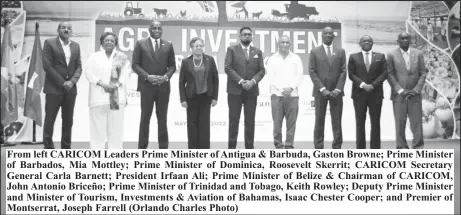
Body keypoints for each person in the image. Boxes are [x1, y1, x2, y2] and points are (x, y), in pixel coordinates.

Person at [132, 21, 176, 149]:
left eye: (159, 28)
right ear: (149, 30)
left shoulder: (168, 45)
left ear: (162, 30)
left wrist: (166, 77)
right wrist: (147, 76)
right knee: (145, 118)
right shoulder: (140, 44)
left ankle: (163, 148)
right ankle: (142, 148)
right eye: (154, 28)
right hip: (146, 86)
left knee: (162, 119)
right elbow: (135, 65)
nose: (157, 30)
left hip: (163, 88)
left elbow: (172, 66)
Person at [85, 32, 132, 149]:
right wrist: (102, 84)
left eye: (112, 40)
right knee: (97, 131)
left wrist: (115, 85)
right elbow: (88, 73)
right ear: (101, 43)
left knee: (116, 131)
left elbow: (126, 74)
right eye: (106, 40)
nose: (109, 42)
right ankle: (97, 156)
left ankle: (115, 158)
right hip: (98, 99)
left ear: (116, 43)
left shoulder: (122, 57)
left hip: (117, 98)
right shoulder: (94, 56)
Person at [42, 22, 82, 149]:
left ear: (71, 31)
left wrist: (72, 82)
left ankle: (66, 149)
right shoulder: (49, 43)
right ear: (58, 30)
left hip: (70, 89)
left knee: (68, 121)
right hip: (54, 88)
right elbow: (47, 66)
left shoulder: (76, 46)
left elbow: (79, 67)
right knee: (50, 120)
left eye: (69, 28)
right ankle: (48, 148)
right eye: (63, 28)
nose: (66, 30)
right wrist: (62, 82)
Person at [225, 26, 265, 149]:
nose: (247, 36)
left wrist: (252, 82)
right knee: (233, 121)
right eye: (244, 34)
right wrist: (241, 81)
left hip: (251, 91)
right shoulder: (231, 49)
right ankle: (231, 149)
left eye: (249, 34)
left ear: (252, 36)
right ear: (240, 36)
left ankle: (249, 149)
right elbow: (228, 68)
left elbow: (262, 70)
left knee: (250, 122)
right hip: (234, 91)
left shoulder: (257, 52)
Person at [309, 26, 347, 149]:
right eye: (326, 33)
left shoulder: (340, 51)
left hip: (337, 93)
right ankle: (318, 147)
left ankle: (337, 147)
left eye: (331, 33)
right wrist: (322, 89)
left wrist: (338, 89)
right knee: (319, 121)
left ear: (333, 36)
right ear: (322, 35)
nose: (328, 35)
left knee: (337, 121)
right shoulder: (315, 51)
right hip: (320, 93)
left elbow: (343, 71)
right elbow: (312, 71)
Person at [348, 35, 388, 149]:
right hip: (359, 94)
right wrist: (363, 85)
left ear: (372, 43)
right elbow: (351, 74)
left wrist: (373, 85)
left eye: (369, 41)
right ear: (360, 43)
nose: (367, 42)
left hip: (376, 94)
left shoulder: (380, 56)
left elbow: (384, 73)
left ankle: (375, 149)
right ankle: (360, 149)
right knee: (360, 123)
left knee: (375, 123)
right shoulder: (353, 57)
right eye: (364, 41)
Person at [387, 32, 426, 149]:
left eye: (407, 38)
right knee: (400, 123)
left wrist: (416, 90)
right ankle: (401, 148)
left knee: (417, 123)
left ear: (410, 40)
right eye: (402, 39)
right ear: (398, 41)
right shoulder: (391, 54)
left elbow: (423, 73)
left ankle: (418, 147)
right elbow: (389, 74)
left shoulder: (418, 54)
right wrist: (400, 90)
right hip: (399, 96)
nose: (404, 40)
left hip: (415, 95)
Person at [179, 37, 219, 149]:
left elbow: (215, 79)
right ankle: (192, 149)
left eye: (201, 46)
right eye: (196, 46)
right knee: (192, 125)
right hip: (191, 97)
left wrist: (215, 97)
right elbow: (181, 82)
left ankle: (205, 150)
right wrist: (183, 99)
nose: (199, 48)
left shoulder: (210, 60)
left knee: (204, 125)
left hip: (206, 97)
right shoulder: (186, 62)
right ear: (191, 48)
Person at [266, 35, 303, 149]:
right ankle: (278, 144)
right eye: (282, 42)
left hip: (293, 95)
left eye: (287, 42)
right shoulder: (272, 59)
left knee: (291, 122)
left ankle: (289, 144)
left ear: (290, 44)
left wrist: (291, 88)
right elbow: (271, 76)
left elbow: (300, 75)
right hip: (277, 95)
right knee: (277, 122)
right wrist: (282, 90)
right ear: (278, 44)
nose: (285, 44)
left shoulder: (296, 58)